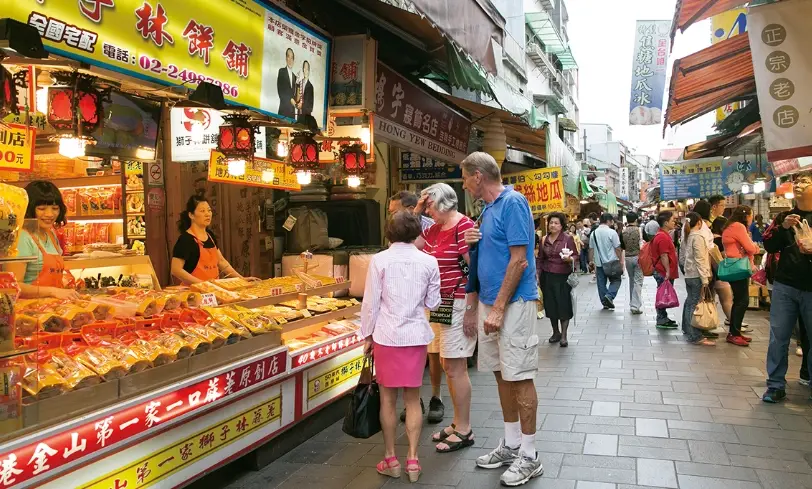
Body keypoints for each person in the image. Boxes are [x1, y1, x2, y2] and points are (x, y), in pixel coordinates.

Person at [460, 152, 543, 486]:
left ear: (478, 176)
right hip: (492, 303)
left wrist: (497, 308)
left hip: (514, 304)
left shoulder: (513, 203)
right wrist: (471, 245)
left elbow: (519, 261)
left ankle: (530, 454)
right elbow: (490, 256)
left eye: (465, 177)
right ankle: (510, 445)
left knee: (520, 375)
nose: (464, 183)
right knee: (501, 374)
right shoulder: (488, 209)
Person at [361, 211, 441, 482]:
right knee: (412, 399)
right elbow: (434, 302)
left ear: (389, 232)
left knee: (387, 399)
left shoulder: (379, 261)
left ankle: (391, 458)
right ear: (416, 232)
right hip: (415, 337)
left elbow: (370, 303)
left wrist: (367, 336)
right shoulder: (429, 262)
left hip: (386, 337)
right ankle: (414, 461)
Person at [413, 183, 476, 452]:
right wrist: (416, 211)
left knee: (455, 365)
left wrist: (471, 309)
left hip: (458, 302)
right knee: (446, 363)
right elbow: (412, 242)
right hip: (439, 303)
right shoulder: (435, 229)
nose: (427, 210)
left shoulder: (464, 227)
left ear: (441, 202)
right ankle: (456, 422)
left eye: (428, 204)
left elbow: (474, 270)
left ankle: (464, 429)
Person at [762, 172, 812, 402]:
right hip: (785, 285)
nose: (800, 185)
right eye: (798, 182)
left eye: (806, 182)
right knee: (778, 336)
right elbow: (770, 245)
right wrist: (782, 227)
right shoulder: (785, 216)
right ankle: (775, 384)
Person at [389, 191, 439, 422]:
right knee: (408, 353)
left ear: (409, 208)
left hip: (427, 294)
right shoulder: (395, 230)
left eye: (394, 211)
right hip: (402, 297)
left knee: (434, 350)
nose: (391, 216)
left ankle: (436, 397)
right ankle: (413, 399)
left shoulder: (429, 225)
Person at [7, 181, 79, 300]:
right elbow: (14, 285)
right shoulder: (22, 237)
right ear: (29, 208)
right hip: (27, 310)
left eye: (55, 208)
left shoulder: (50, 234)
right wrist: (53, 291)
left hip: (50, 307)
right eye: (42, 208)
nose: (49, 214)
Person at [171, 195, 244, 285]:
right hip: (192, 293)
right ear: (191, 215)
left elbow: (221, 261)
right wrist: (203, 284)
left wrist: (241, 279)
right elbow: (175, 270)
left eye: (209, 210)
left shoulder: (210, 235)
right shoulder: (185, 239)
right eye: (202, 211)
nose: (207, 214)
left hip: (212, 290)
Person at [721, 205, 759, 347]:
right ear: (746, 215)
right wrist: (755, 247)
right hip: (738, 266)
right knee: (742, 300)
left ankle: (735, 332)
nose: (752, 218)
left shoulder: (730, 226)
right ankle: (734, 333)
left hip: (734, 265)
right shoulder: (738, 226)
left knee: (739, 299)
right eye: (751, 215)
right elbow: (750, 248)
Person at [538, 212, 577, 347]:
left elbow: (576, 256)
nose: (553, 225)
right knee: (551, 305)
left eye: (556, 223)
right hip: (547, 276)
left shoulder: (568, 239)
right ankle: (555, 332)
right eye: (551, 223)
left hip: (563, 277)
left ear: (561, 226)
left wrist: (570, 259)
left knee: (563, 305)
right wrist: (537, 274)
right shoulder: (543, 239)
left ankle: (564, 335)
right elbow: (540, 259)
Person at [681, 212, 715, 346]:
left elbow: (684, 256)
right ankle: (694, 336)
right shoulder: (698, 237)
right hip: (696, 275)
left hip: (689, 274)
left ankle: (688, 330)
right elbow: (700, 259)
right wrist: (705, 278)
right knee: (695, 304)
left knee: (690, 302)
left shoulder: (688, 236)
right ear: (700, 222)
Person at [589, 213, 623, 310]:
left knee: (601, 283)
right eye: (612, 221)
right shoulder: (612, 232)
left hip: (599, 263)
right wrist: (620, 260)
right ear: (608, 221)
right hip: (612, 262)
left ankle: (605, 303)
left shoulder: (594, 233)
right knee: (616, 280)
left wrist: (591, 261)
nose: (612, 223)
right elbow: (617, 248)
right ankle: (609, 295)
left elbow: (591, 249)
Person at [651, 211, 679, 328]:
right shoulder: (662, 237)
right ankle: (661, 319)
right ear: (666, 222)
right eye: (673, 220)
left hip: (663, 271)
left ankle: (663, 317)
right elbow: (664, 255)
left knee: (663, 293)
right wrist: (667, 271)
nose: (674, 222)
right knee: (663, 293)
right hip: (662, 271)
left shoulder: (663, 234)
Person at [620, 211, 644, 314]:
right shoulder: (639, 230)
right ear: (636, 219)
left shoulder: (623, 231)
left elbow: (622, 246)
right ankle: (635, 306)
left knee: (631, 280)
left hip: (628, 258)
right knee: (638, 281)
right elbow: (646, 242)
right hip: (639, 257)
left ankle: (632, 302)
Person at [276, 48, 297, 118]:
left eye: (292, 58)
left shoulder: (295, 77)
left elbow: (296, 97)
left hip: (292, 115)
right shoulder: (281, 71)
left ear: (293, 60)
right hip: (283, 112)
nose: (290, 60)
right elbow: (280, 91)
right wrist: (290, 100)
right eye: (288, 57)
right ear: (286, 58)